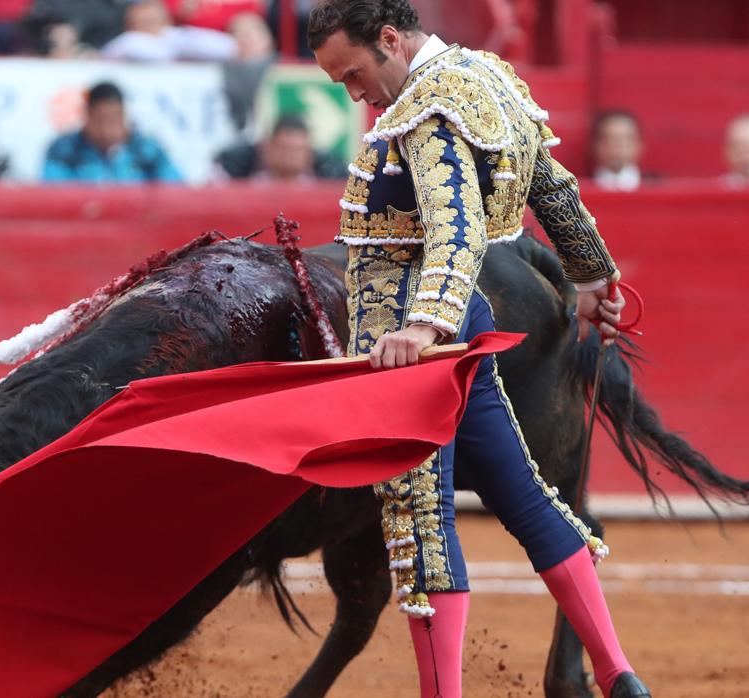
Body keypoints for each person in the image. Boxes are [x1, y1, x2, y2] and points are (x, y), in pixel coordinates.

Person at [307, 2, 650, 697]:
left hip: (411, 336)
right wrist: (589, 275)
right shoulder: (485, 75)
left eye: (353, 73)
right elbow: (550, 186)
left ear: (390, 40)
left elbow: (455, 228)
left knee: (418, 521)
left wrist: (425, 326)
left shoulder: (425, 109)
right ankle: (616, 671)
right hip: (465, 318)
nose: (355, 94)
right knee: (525, 495)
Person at [41, 81, 183, 184]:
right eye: (100, 119)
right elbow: (55, 192)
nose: (106, 129)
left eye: (113, 119)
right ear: (87, 116)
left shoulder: (147, 150)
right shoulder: (64, 151)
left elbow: (175, 189)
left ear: (123, 116)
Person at [213, 114, 346, 182]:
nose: (291, 157)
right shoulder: (240, 168)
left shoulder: (328, 173)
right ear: (268, 147)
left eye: (298, 150)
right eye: (285, 148)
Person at [100, 0, 236, 62]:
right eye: (142, 22)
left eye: (152, 21)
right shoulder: (128, 41)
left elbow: (228, 48)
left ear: (166, 21)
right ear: (130, 26)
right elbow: (132, 46)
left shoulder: (180, 37)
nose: (149, 27)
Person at [591, 110, 649, 192]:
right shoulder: (573, 189)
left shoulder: (658, 187)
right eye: (608, 139)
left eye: (626, 139)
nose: (617, 145)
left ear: (639, 144)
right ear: (595, 145)